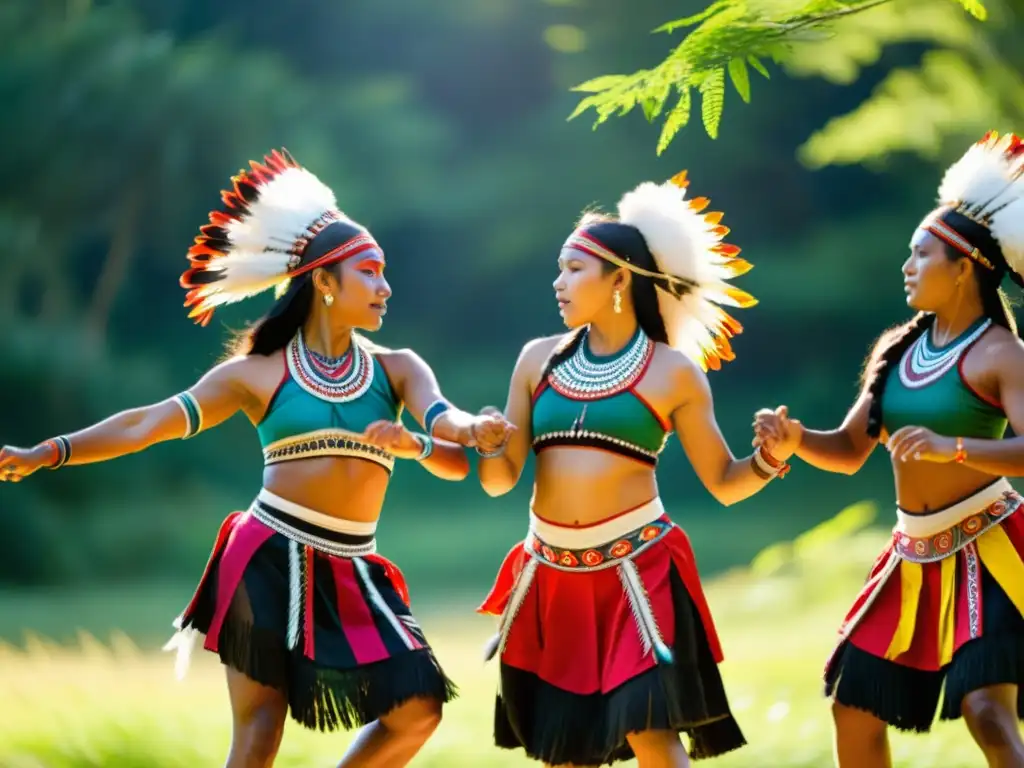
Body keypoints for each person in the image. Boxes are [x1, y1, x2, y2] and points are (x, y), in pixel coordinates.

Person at [0, 149, 512, 768]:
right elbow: (145, 424)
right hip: (265, 557)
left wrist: (466, 430)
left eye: (384, 273)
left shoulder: (398, 368)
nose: (385, 286)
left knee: (418, 708)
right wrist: (43, 453)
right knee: (259, 730)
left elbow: (449, 433)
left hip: (354, 566)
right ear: (324, 281)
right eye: (371, 272)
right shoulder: (255, 374)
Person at [474, 170, 801, 767]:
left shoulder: (673, 372)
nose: (559, 282)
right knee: (566, 754)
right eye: (559, 269)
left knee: (651, 732)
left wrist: (771, 457)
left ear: (619, 278)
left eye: (574, 269)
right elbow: (500, 481)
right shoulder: (534, 360)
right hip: (552, 578)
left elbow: (725, 484)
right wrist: (490, 442)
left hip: (637, 578)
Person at [754, 131, 1024, 768]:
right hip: (913, 555)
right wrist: (794, 440)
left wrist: (951, 447)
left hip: (993, 550)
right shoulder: (897, 351)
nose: (907, 267)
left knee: (987, 710)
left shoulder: (1001, 355)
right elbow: (849, 449)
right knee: (854, 708)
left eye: (922, 255)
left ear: (965, 267)